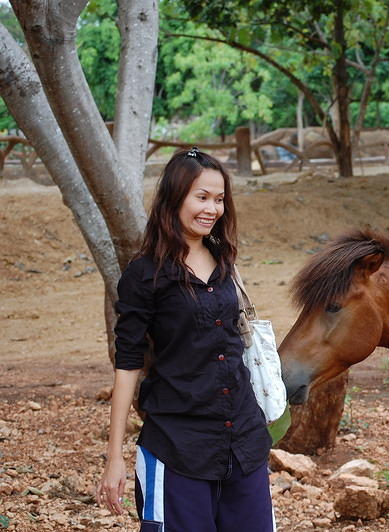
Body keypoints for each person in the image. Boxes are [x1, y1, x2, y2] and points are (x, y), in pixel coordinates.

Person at [96, 148, 274, 531]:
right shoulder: (144, 276)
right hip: (177, 448)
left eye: (220, 198)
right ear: (175, 198)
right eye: (202, 197)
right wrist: (115, 456)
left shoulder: (225, 260)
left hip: (243, 443)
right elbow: (127, 363)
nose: (213, 208)